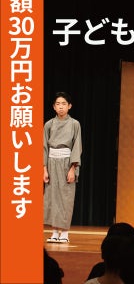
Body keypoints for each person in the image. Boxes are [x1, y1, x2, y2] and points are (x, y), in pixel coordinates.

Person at [44, 91, 83, 244]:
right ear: (54, 107)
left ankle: (65, 233)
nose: (61, 107)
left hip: (67, 162)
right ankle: (54, 232)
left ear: (69, 106)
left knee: (66, 197)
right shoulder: (49, 124)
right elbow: (43, 147)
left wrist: (73, 168)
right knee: (52, 197)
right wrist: (44, 169)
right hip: (51, 162)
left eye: (64, 104)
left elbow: (77, 146)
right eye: (58, 104)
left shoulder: (74, 124)